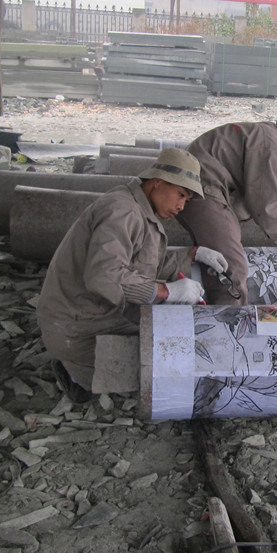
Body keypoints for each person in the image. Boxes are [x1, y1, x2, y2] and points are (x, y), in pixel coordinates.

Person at [37, 148, 228, 400]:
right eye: (180, 194)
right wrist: (166, 291)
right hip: (77, 326)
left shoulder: (142, 210)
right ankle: (74, 373)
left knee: (169, 342)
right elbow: (104, 277)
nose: (181, 206)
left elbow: (145, 265)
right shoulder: (122, 210)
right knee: (162, 361)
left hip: (96, 314)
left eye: (187, 199)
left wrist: (193, 254)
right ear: (157, 181)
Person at [178, 113, 277, 305]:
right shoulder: (273, 146)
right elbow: (264, 201)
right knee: (233, 267)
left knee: (218, 258)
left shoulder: (268, 136)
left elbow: (248, 197)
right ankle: (230, 323)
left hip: (200, 185)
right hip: (203, 188)